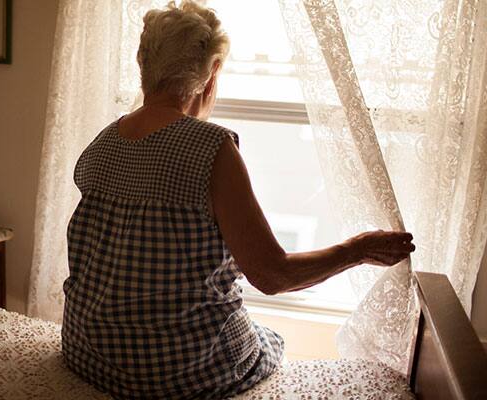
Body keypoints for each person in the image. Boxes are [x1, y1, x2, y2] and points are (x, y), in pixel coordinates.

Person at [61, 1, 415, 399]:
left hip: (87, 351)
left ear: (143, 65)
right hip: (168, 373)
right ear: (211, 74)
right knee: (270, 341)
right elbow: (271, 275)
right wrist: (357, 249)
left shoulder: (102, 144)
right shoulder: (211, 147)